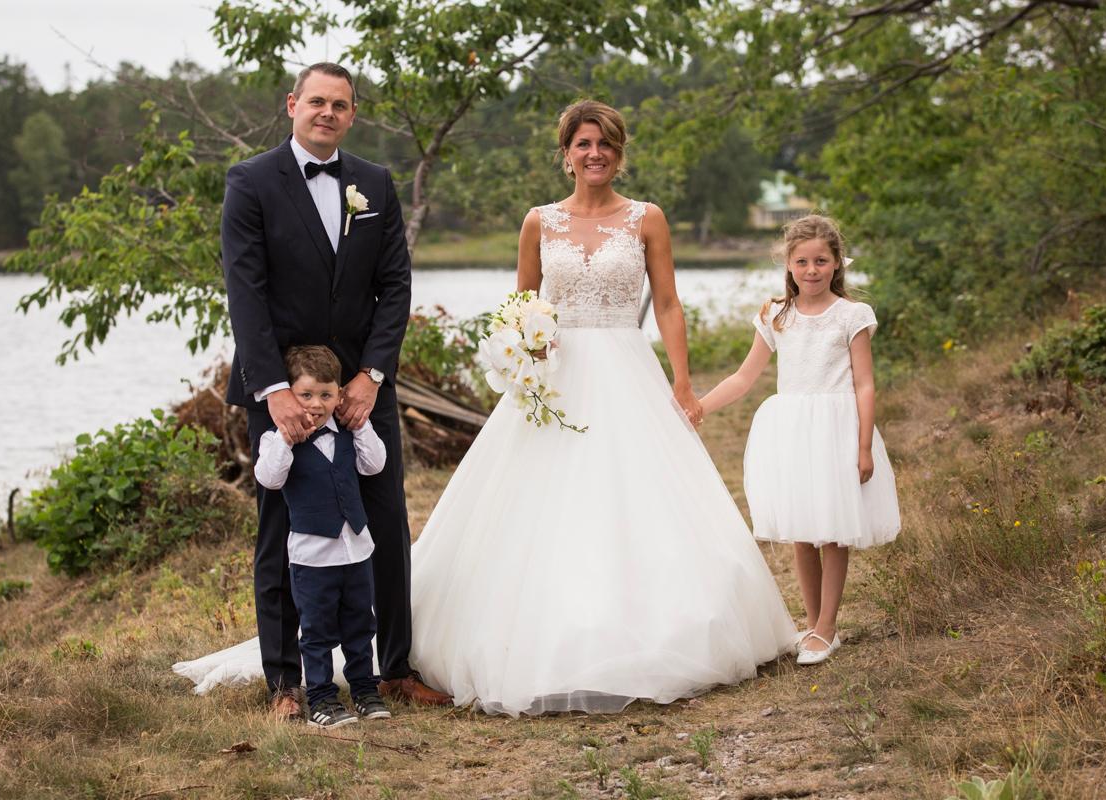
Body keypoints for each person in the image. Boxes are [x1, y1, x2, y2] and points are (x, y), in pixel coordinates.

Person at [406, 100, 799, 716]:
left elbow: (667, 304)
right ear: (566, 154)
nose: (596, 154)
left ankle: (656, 633)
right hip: (556, 380)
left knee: (636, 495)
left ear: (619, 154)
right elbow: (521, 305)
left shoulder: (647, 219)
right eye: (584, 144)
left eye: (607, 145)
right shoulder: (538, 222)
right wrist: (527, 352)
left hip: (626, 366)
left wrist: (683, 382)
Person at [177, 62, 448, 715]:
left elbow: (395, 290)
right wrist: (273, 391)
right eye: (317, 101)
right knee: (282, 531)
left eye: (341, 105)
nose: (328, 113)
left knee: (384, 521)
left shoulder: (375, 183)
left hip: (362, 387)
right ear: (293, 104)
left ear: (352, 115)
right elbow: (247, 293)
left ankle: (393, 669)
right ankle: (286, 683)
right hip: (283, 390)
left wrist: (371, 376)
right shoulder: (249, 182)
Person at [699, 215, 901, 665]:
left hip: (835, 427)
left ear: (836, 265)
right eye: (802, 261)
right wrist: (700, 407)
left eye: (821, 261)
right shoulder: (776, 314)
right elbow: (744, 376)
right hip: (791, 428)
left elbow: (865, 384)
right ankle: (812, 625)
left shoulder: (851, 315)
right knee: (803, 531)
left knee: (832, 531)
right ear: (788, 265)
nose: (812, 270)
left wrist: (864, 445)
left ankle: (827, 627)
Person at [252, 346, 391, 728]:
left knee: (361, 623)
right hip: (312, 558)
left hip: (356, 551)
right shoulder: (276, 440)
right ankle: (321, 697)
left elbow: (375, 463)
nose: (316, 404)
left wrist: (361, 424)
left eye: (326, 395)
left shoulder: (349, 433)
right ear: (290, 397)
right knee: (316, 631)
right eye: (306, 395)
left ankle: (364, 688)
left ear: (340, 397)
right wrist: (285, 436)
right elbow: (269, 478)